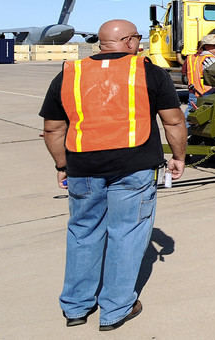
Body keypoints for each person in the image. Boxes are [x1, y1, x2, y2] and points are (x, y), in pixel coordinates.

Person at [40, 19, 187, 331]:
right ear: (131, 41)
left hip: (83, 169)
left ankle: (76, 307)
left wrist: (61, 166)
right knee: (127, 235)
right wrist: (178, 156)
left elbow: (53, 128)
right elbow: (173, 122)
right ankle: (116, 309)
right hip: (133, 168)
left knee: (83, 233)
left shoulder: (70, 73)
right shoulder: (149, 72)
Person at [183, 34, 215, 121]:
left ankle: (180, 132)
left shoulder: (191, 58)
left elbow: (184, 74)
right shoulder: (210, 59)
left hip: (193, 92)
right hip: (206, 93)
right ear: (207, 46)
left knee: (189, 116)